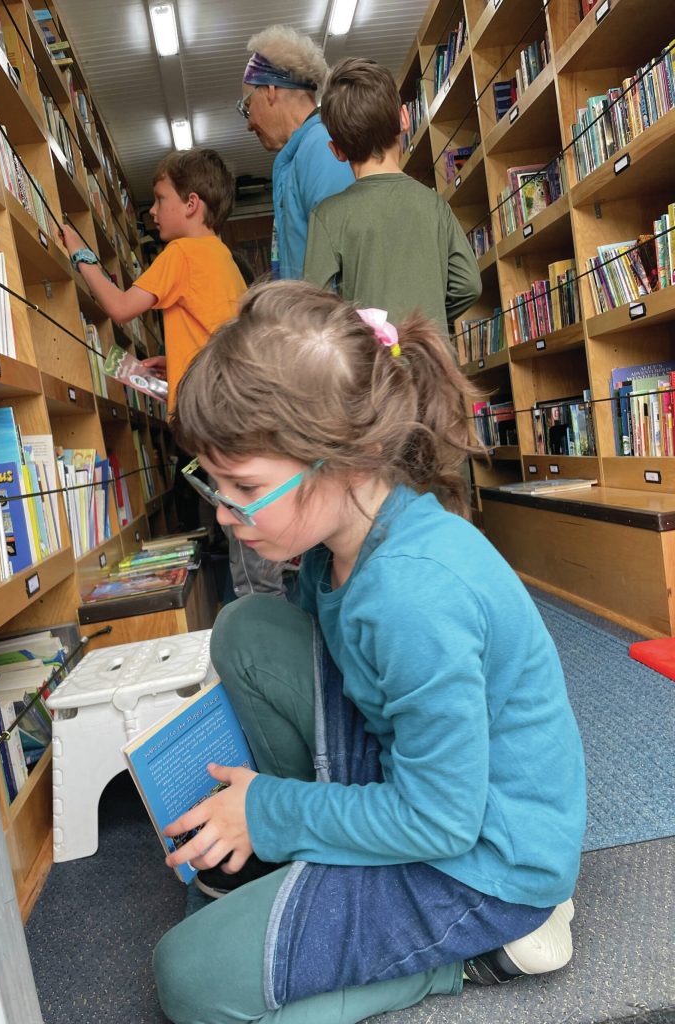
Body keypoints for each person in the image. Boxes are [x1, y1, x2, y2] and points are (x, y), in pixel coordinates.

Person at [151, 281, 587, 1024]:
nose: (224, 513)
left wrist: (272, 809)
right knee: (246, 628)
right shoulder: (341, 539)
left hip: (482, 860)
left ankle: (483, 952)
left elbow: (443, 821)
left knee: (187, 978)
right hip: (428, 789)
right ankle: (317, 860)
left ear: (341, 461)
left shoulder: (413, 597)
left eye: (243, 487)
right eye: (212, 482)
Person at [60, 149, 282, 596]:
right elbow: (217, 335)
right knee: (251, 538)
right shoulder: (221, 258)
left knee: (247, 552)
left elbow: (121, 309)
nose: (152, 212)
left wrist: (80, 255)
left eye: (160, 199)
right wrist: (177, 361)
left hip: (215, 422)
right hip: (238, 413)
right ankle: (266, 619)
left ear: (192, 203)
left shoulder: (181, 252)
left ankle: (262, 637)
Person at [304, 57, 482, 334]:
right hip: (433, 364)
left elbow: (314, 311)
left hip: (376, 369)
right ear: (404, 118)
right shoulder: (433, 204)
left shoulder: (328, 216)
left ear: (336, 150)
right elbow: (468, 285)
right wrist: (425, 322)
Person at [240, 25, 354, 280]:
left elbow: (343, 261)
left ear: (269, 90)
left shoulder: (323, 147)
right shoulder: (302, 152)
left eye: (247, 106)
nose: (248, 124)